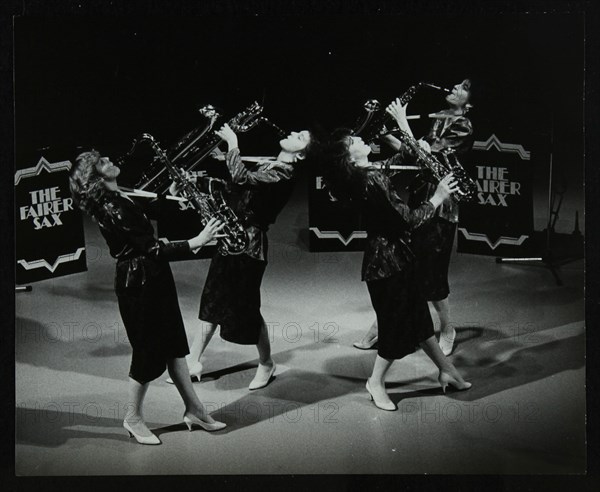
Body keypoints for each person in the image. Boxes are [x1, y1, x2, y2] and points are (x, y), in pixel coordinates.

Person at [69, 150, 227, 445]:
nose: (110, 161)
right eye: (103, 162)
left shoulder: (119, 196)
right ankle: (133, 418)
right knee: (147, 356)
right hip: (138, 285)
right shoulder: (113, 206)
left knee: (174, 347)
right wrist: (197, 241)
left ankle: (195, 410)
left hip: (152, 277)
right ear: (96, 177)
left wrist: (170, 193)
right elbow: (152, 248)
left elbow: (149, 215)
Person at [322, 99, 471, 411]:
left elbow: (404, 156)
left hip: (393, 260)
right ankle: (375, 382)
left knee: (418, 320)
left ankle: (449, 372)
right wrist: (438, 196)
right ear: (350, 156)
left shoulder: (366, 172)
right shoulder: (370, 178)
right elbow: (409, 219)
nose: (362, 140)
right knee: (396, 331)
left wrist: (404, 129)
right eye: (355, 141)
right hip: (387, 266)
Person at [170, 125, 318, 390]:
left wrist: (233, 143)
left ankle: (266, 363)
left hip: (250, 246)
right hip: (231, 236)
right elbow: (233, 186)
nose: (293, 133)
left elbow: (240, 178)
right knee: (213, 297)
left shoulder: (284, 174)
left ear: (302, 155)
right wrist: (195, 182)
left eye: (300, 137)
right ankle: (193, 360)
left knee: (248, 310)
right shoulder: (269, 165)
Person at [354, 79, 474, 356]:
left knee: (432, 273)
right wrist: (386, 134)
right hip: (423, 200)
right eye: (455, 84)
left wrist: (402, 120)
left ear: (470, 102)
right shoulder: (440, 120)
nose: (454, 88)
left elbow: (430, 159)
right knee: (406, 268)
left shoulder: (463, 126)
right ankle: (383, 327)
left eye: (463, 88)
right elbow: (415, 153)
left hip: (442, 204)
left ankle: (447, 328)